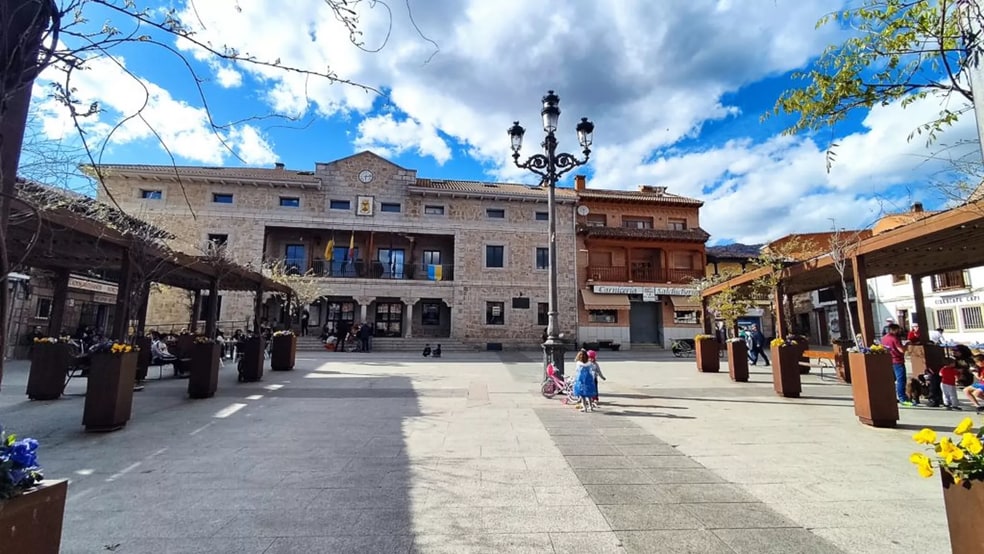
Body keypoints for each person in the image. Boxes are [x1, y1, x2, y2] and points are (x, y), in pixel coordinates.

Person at [881, 323, 911, 405]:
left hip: (888, 360)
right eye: (898, 329)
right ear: (894, 330)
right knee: (901, 380)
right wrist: (907, 345)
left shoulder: (883, 338)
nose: (899, 331)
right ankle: (902, 398)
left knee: (891, 380)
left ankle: (892, 397)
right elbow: (901, 350)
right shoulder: (895, 338)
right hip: (897, 361)